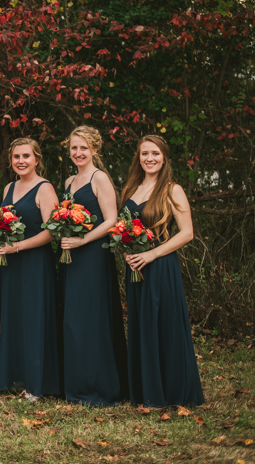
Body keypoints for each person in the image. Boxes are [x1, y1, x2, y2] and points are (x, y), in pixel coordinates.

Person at [120, 135, 204, 407]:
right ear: (138, 157)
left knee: (163, 326)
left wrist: (151, 254)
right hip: (135, 267)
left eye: (155, 153)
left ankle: (170, 392)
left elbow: (188, 233)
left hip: (160, 265)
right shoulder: (131, 188)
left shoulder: (172, 189)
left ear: (165, 157)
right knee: (141, 326)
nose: (149, 158)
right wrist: (126, 248)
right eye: (144, 153)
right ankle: (146, 390)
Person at [59, 126, 128, 406]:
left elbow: (112, 219)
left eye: (84, 148)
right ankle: (76, 383)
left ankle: (100, 387)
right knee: (73, 319)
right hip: (70, 257)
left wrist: (82, 240)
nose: (78, 153)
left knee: (91, 317)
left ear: (95, 150)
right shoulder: (68, 181)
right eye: (74, 148)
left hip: (93, 255)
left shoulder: (100, 178)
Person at [0, 138, 60, 402]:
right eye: (16, 157)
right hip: (11, 264)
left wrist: (18, 246)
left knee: (34, 318)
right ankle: (16, 376)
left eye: (26, 156)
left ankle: (37, 383)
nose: (20, 161)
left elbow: (51, 232)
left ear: (36, 159)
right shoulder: (9, 187)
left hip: (35, 263)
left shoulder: (44, 188)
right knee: (14, 317)